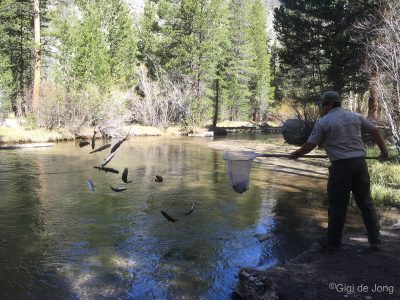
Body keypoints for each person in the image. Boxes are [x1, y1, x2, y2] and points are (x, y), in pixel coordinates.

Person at [289, 91, 389, 250]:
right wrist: (384, 152)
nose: (322, 108)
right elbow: (375, 130)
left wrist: (297, 153)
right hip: (359, 164)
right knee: (365, 203)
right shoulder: (355, 116)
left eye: (323, 104)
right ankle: (375, 241)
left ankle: (334, 243)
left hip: (341, 167)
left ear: (329, 104)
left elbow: (311, 144)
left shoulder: (324, 122)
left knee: (337, 205)